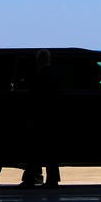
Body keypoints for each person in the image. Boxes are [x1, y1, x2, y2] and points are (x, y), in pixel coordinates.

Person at [19, 49, 61, 188]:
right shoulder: (55, 75)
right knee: (51, 151)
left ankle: (30, 179)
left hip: (40, 118)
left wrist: (30, 117)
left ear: (38, 60)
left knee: (35, 150)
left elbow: (34, 100)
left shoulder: (39, 76)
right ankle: (52, 180)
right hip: (53, 118)